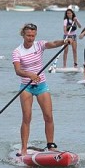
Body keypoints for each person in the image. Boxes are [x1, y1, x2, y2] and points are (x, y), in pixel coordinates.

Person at [12, 22, 70, 157]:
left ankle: (50, 145)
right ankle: (24, 149)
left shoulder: (39, 45)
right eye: (28, 35)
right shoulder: (17, 52)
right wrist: (30, 74)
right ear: (23, 35)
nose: (30, 38)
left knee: (48, 116)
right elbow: (18, 70)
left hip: (41, 85)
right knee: (27, 118)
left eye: (33, 35)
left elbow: (54, 43)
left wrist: (64, 41)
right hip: (26, 87)